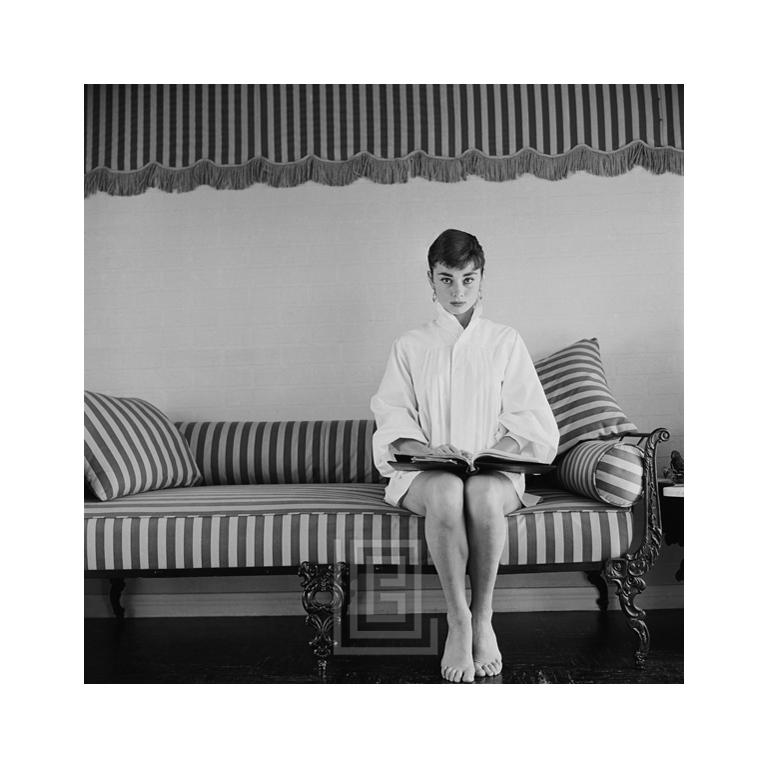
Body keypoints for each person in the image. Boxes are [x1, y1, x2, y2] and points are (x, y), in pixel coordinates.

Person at [370, 229, 559, 683]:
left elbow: (530, 416)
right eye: (447, 279)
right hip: (429, 473)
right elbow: (392, 417)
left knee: (480, 494)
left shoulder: (504, 341)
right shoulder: (410, 346)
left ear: (481, 279)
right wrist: (429, 450)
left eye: (468, 279)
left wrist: (497, 450)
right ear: (430, 280)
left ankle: (483, 617)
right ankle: (457, 618)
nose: (458, 291)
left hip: (494, 470)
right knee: (450, 491)